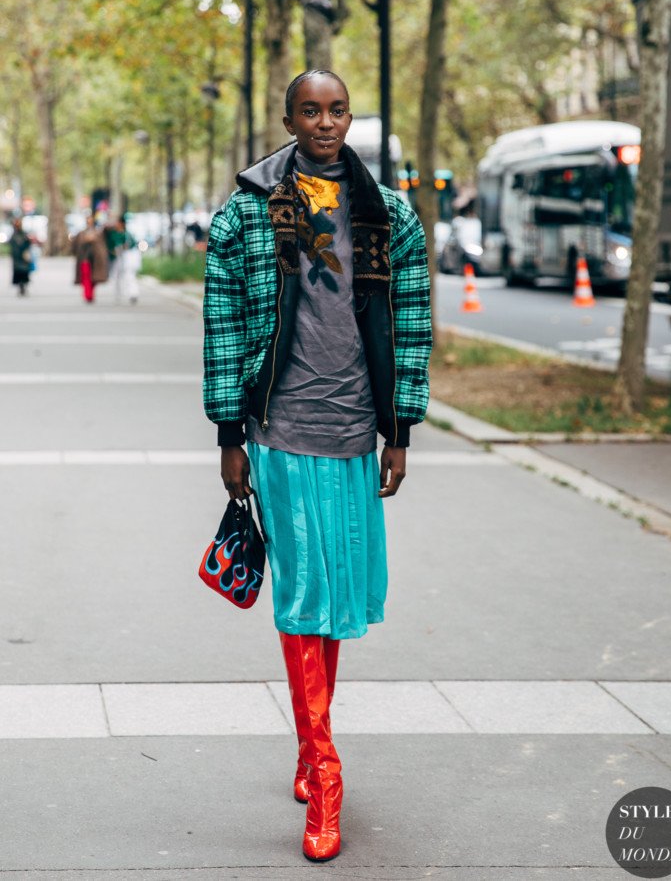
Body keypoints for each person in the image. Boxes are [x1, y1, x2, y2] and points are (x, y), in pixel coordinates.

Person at [203, 69, 432, 862]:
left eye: (337, 110)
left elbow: (410, 324)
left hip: (356, 432)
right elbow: (224, 325)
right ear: (289, 116)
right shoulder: (247, 214)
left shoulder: (388, 214)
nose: (326, 123)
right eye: (311, 110)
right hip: (278, 431)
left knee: (335, 599)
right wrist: (229, 433)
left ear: (348, 117)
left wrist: (401, 428)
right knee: (302, 599)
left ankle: (307, 745)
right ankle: (327, 773)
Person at [72, 214, 109, 303]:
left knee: (94, 279)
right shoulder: (81, 233)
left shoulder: (98, 233)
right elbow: (76, 246)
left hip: (96, 259)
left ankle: (91, 294)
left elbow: (102, 246)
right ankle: (87, 295)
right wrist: (86, 240)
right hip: (84, 258)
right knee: (86, 277)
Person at [106, 215, 140, 304]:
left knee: (129, 274)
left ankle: (133, 293)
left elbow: (129, 245)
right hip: (117, 258)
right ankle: (118, 293)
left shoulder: (127, 234)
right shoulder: (112, 233)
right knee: (116, 276)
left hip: (128, 257)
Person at [9, 218, 32, 297]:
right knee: (19, 273)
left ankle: (23, 286)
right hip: (17, 257)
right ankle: (21, 287)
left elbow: (28, 243)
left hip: (22, 257)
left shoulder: (23, 234)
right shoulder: (14, 235)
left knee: (23, 272)